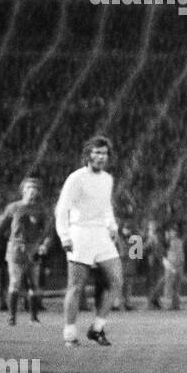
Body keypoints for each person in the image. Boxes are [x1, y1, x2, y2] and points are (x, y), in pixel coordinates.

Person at [54, 136, 123, 346]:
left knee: (116, 281)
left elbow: (106, 206)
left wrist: (112, 226)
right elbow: (62, 208)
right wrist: (64, 236)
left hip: (101, 234)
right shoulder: (76, 178)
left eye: (104, 153)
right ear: (88, 155)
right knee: (76, 286)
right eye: (97, 153)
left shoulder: (107, 179)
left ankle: (97, 328)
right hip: (80, 233)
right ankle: (69, 334)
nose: (101, 157)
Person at [0, 176, 52, 325]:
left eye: (35, 189)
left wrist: (45, 244)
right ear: (23, 191)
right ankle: (12, 318)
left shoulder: (41, 209)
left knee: (34, 284)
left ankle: (34, 318)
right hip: (16, 249)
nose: (32, 192)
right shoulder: (13, 207)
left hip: (34, 250)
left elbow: (47, 232)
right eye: (29, 189)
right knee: (14, 282)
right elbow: (0, 226)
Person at [162, 223, 185, 311]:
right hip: (170, 266)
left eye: (174, 231)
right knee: (168, 286)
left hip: (179, 266)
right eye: (171, 231)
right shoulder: (166, 242)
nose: (173, 232)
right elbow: (163, 254)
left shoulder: (179, 241)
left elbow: (181, 254)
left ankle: (176, 305)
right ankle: (167, 305)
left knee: (177, 287)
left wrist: (181, 264)